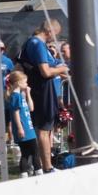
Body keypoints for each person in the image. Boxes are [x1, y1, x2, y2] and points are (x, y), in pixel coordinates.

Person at [18, 20, 68, 174]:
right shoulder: (38, 44)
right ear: (49, 31)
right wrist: (62, 68)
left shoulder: (30, 43)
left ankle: (41, 165)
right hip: (42, 90)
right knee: (44, 129)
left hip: (39, 89)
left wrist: (59, 70)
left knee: (44, 128)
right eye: (55, 35)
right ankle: (47, 167)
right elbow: (45, 71)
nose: (54, 39)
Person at [5, 70, 38, 177]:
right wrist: (20, 128)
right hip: (24, 129)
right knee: (32, 152)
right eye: (25, 82)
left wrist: (28, 93)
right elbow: (15, 113)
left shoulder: (21, 96)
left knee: (29, 153)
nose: (27, 84)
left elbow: (31, 108)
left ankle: (27, 173)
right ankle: (37, 171)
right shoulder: (15, 96)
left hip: (29, 128)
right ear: (18, 83)